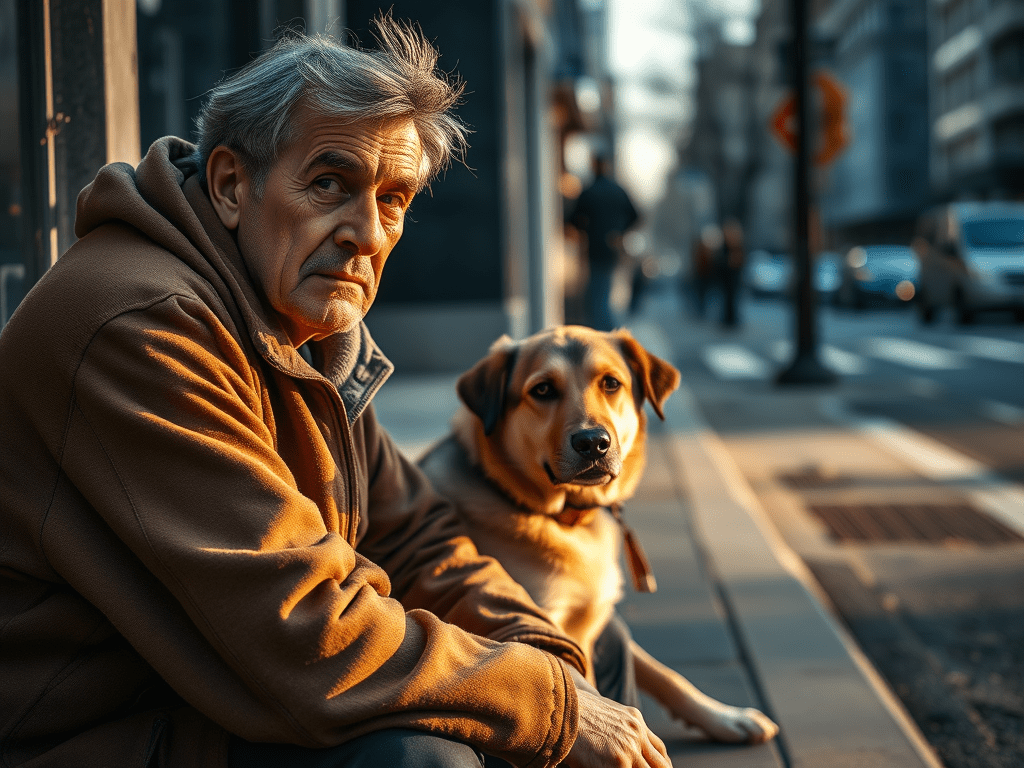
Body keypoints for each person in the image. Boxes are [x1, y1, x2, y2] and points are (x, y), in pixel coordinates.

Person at [0, 17, 671, 768]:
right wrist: (542, 698)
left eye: (394, 199)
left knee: (590, 650)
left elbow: (417, 538)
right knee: (424, 758)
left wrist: (549, 663)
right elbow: (305, 630)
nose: (367, 233)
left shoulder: (302, 323)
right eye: (330, 183)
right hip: (106, 729)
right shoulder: (140, 327)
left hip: (220, 690)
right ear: (230, 185)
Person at [567, 153, 640, 331]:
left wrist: (586, 229)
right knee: (602, 293)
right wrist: (619, 232)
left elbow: (572, 219)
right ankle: (607, 332)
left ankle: (607, 334)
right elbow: (635, 216)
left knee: (597, 296)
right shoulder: (617, 191)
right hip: (612, 248)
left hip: (594, 249)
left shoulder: (589, 192)